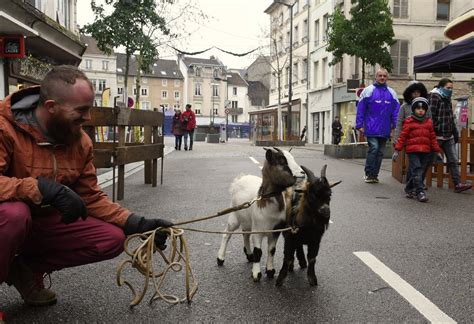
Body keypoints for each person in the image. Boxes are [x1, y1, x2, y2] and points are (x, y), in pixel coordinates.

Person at [0, 66, 173, 308]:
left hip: (40, 224)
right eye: (81, 110)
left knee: (111, 238)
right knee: (14, 214)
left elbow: (90, 197)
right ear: (51, 107)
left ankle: (24, 269)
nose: (88, 118)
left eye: (89, 108)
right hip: (9, 221)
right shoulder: (4, 127)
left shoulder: (80, 141)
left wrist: (135, 222)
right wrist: (39, 188)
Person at [392, 97, 441, 202]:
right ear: (413, 110)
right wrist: (397, 150)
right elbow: (402, 137)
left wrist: (437, 151)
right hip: (413, 151)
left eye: (423, 109)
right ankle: (420, 192)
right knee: (417, 170)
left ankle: (409, 187)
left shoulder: (428, 123)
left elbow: (432, 138)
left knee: (420, 172)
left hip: (426, 152)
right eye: (418, 108)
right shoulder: (409, 122)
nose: (420, 110)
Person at [356, 68, 400, 183]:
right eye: (380, 75)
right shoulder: (368, 91)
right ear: (376, 77)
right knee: (374, 148)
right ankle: (368, 173)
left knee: (380, 152)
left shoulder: (392, 93)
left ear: (387, 78)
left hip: (385, 129)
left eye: (384, 76)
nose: (382, 78)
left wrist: (396, 127)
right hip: (370, 128)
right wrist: (359, 124)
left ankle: (374, 175)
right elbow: (361, 108)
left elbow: (396, 112)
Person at [428, 78, 472, 193]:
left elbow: (450, 117)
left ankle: (457, 184)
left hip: (448, 137)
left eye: (451, 88)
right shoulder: (434, 96)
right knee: (428, 161)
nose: (450, 90)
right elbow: (431, 116)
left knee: (453, 160)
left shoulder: (446, 98)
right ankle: (415, 184)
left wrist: (455, 133)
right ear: (441, 87)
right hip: (437, 136)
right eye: (448, 88)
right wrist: (436, 129)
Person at [393, 81, 431, 187]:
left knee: (422, 164)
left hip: (423, 140)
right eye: (413, 92)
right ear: (409, 93)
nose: (415, 94)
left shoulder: (426, 107)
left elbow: (430, 124)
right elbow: (399, 124)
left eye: (418, 92)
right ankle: (414, 184)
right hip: (409, 139)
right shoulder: (404, 107)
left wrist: (431, 140)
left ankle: (416, 183)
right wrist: (397, 140)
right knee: (413, 164)